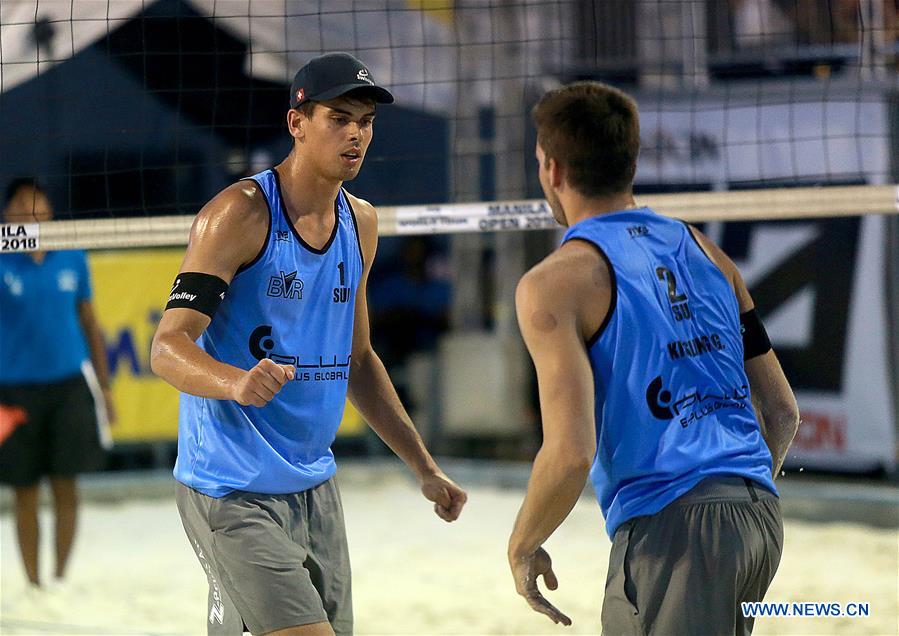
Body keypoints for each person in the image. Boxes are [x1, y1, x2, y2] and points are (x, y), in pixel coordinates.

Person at [150, 52, 467, 636]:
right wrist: (236, 382)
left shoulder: (361, 222)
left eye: (366, 122)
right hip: (232, 487)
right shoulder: (238, 215)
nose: (357, 134)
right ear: (296, 124)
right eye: (339, 118)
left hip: (314, 485)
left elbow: (359, 360)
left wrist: (423, 466)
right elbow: (167, 347)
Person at [507, 81, 800, 635]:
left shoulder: (555, 283)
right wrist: (739, 497)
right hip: (761, 514)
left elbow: (570, 454)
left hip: (675, 528)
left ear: (553, 170)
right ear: (631, 161)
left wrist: (523, 545)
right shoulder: (708, 252)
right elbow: (783, 412)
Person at [0, 178, 114, 589]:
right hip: (12, 392)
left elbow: (90, 323)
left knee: (67, 482)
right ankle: (33, 584)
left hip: (68, 386)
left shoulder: (71, 255)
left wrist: (105, 388)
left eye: (38, 206)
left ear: (49, 211)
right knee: (24, 489)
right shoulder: (1, 259)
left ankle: (60, 577)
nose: (31, 213)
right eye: (21, 207)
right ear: (7, 215)